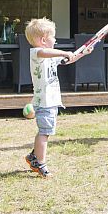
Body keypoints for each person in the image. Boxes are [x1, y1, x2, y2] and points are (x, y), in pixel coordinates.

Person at [23, 17, 91, 177]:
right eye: (53, 37)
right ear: (43, 40)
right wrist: (63, 52)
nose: (55, 40)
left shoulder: (50, 55)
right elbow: (46, 52)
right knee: (44, 133)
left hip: (51, 101)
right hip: (44, 102)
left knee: (46, 131)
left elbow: (69, 59)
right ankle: (40, 163)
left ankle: (34, 156)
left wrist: (82, 53)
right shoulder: (36, 53)